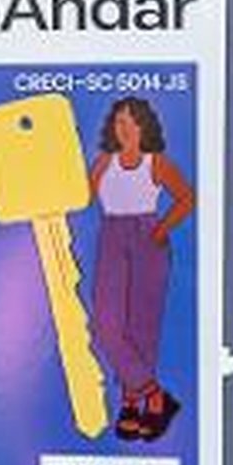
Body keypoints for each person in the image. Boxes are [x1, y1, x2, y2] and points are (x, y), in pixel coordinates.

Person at [87, 95, 195, 442]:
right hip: (112, 238)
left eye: (131, 123)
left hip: (147, 238)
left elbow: (186, 197)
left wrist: (161, 230)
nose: (124, 129)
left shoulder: (156, 163)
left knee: (141, 327)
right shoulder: (104, 162)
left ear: (144, 127)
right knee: (106, 325)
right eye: (119, 122)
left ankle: (133, 405)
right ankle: (156, 396)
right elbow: (82, 196)